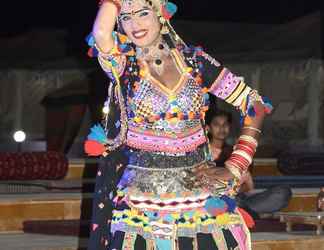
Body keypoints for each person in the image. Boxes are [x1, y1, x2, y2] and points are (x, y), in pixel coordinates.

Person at [84, 0, 273, 249]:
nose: (135, 24)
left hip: (199, 193)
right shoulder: (124, 65)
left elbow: (254, 104)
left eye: (142, 13)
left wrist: (236, 165)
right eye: (126, 18)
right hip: (141, 201)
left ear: (160, 14)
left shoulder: (195, 62)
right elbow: (100, 33)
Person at [206, 109, 292, 219]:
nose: (222, 128)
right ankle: (243, 213)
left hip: (236, 198)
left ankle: (240, 211)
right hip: (209, 200)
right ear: (208, 128)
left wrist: (233, 189)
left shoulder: (238, 153)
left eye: (225, 125)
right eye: (217, 125)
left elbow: (248, 186)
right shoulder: (201, 153)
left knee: (283, 193)